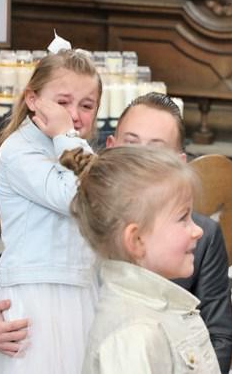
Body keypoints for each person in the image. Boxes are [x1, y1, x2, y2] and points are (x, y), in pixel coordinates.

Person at [0, 92, 232, 373]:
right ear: (109, 148)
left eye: (156, 150)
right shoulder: (85, 221)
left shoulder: (200, 235)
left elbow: (219, 334)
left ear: (178, 162)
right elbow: (23, 270)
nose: (139, 159)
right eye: (130, 144)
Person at [60, 145, 220, 373]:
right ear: (136, 240)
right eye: (183, 218)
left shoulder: (153, 313)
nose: (197, 231)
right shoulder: (133, 334)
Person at [0, 49, 102, 373]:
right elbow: (76, 197)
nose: (74, 115)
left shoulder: (76, 149)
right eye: (63, 102)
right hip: (35, 301)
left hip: (81, 294)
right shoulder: (17, 151)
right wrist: (65, 136)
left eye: (87, 105)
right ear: (33, 100)